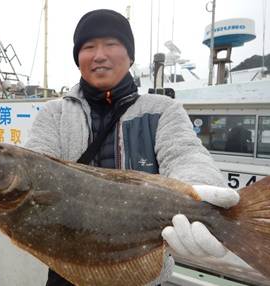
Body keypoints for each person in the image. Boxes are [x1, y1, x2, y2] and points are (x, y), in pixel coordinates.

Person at [25, 9, 239, 286]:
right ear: (78, 58)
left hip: (141, 273)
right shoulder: (54, 114)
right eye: (88, 47)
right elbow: (34, 166)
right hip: (68, 270)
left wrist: (199, 190)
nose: (99, 55)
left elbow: (186, 154)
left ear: (130, 55)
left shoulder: (162, 110)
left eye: (111, 44)